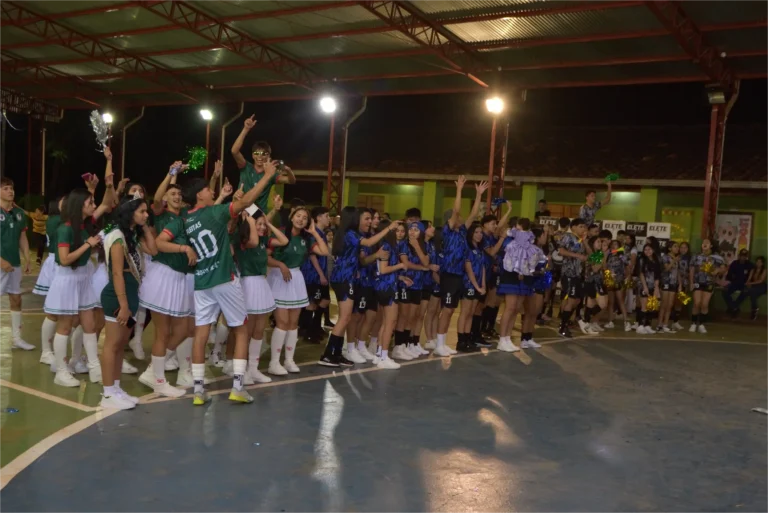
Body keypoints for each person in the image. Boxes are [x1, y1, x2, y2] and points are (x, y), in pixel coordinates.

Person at [175, 159, 277, 405]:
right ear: (200, 194)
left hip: (202, 281)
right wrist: (266, 177)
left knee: (201, 333)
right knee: (241, 329)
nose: (212, 191)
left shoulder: (187, 219)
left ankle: (198, 391)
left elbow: (222, 224)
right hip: (224, 278)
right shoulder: (214, 212)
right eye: (208, 189)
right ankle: (238, 387)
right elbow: (246, 203)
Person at [45, 150, 115, 387]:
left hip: (83, 278)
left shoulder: (84, 225)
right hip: (67, 279)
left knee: (89, 324)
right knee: (65, 325)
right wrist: (89, 244)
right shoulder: (65, 229)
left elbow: (106, 203)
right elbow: (64, 259)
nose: (93, 205)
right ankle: (60, 370)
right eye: (89, 203)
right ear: (79, 206)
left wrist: (108, 171)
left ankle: (94, 367)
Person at [136, 161, 199, 397]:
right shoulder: (159, 214)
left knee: (183, 328)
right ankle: (159, 379)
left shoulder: (183, 215)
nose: (176, 196)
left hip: (180, 278)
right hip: (163, 275)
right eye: (172, 193)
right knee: (163, 332)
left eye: (179, 194)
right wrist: (170, 174)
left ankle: (154, 369)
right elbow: (160, 195)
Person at [98, 196, 157, 409]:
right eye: (142, 211)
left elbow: (153, 250)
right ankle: (107, 394)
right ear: (129, 212)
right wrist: (123, 305)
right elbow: (116, 272)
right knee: (112, 345)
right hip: (117, 295)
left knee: (121, 344)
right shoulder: (117, 236)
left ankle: (115, 388)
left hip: (131, 293)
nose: (146, 214)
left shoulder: (131, 234)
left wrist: (146, 227)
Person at [319, 207, 395, 367]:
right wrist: (388, 228)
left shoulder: (349, 234)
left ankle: (336, 353)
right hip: (343, 278)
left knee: (346, 317)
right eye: (365, 218)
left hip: (347, 278)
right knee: (345, 317)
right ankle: (328, 354)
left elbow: (362, 258)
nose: (368, 221)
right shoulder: (350, 234)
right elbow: (368, 242)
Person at [433, 177, 487, 357]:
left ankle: (443, 342)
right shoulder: (447, 231)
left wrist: (479, 196)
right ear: (450, 219)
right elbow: (456, 210)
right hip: (448, 274)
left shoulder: (463, 232)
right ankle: (439, 343)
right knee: (446, 310)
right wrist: (459, 190)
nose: (461, 218)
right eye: (457, 217)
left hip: (459, 276)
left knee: (450, 311)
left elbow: (472, 214)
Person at [236, 207, 289, 383]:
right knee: (248, 331)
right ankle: (242, 371)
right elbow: (251, 240)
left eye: (262, 225)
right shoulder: (244, 240)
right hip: (248, 285)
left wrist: (268, 223)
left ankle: (253, 369)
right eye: (258, 224)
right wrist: (251, 222)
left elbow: (284, 240)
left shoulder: (263, 241)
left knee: (259, 330)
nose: (262, 228)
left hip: (261, 284)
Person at [231, 114, 296, 212]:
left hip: (258, 215)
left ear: (269, 156)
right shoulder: (246, 167)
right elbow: (234, 151)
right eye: (257, 153)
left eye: (264, 154)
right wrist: (246, 129)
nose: (260, 156)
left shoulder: (271, 174)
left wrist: (288, 170)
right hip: (241, 209)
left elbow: (291, 181)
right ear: (252, 155)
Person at [497, 218, 541, 351]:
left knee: (516, 309)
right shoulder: (509, 239)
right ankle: (502, 339)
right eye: (521, 227)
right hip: (510, 275)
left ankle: (508, 338)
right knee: (510, 308)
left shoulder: (528, 241)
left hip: (523, 277)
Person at [0, 177, 33, 350]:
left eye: (11, 188)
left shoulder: (19, 213)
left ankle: (16, 338)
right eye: (6, 188)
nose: (10, 191)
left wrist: (27, 258)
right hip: (1, 264)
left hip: (14, 265)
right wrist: (1, 261)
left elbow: (22, 237)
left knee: (16, 298)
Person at [372, 226, 408, 369]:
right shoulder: (387, 247)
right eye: (397, 230)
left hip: (386, 285)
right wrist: (400, 265)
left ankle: (379, 353)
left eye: (402, 231)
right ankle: (384, 356)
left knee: (386, 321)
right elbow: (383, 269)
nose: (400, 233)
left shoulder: (391, 246)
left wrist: (400, 277)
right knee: (391, 321)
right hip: (386, 287)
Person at [299, 206, 331, 342]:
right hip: (312, 274)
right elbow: (312, 256)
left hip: (319, 274)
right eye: (327, 215)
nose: (329, 218)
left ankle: (315, 327)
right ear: (318, 217)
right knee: (312, 302)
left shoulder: (322, 233)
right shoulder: (313, 233)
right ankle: (307, 331)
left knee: (324, 300)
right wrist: (321, 274)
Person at [457, 223, 486, 353]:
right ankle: (461, 341)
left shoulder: (480, 250)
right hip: (468, 284)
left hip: (478, 285)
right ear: (471, 234)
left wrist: (483, 285)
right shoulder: (467, 249)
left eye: (481, 232)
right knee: (465, 312)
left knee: (471, 313)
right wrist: (476, 286)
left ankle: (467, 338)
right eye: (476, 232)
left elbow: (483, 268)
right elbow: (469, 270)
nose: (479, 235)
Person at [557, 218, 588, 338]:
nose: (583, 229)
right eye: (581, 226)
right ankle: (563, 326)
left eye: (584, 227)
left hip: (577, 274)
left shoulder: (581, 240)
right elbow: (561, 250)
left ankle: (564, 321)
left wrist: (585, 242)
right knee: (571, 300)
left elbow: (589, 255)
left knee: (577, 300)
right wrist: (577, 255)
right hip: (569, 273)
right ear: (573, 227)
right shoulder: (568, 237)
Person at [688, 238, 726, 334]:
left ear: (711, 245)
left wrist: (717, 271)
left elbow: (724, 268)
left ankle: (701, 324)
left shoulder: (717, 257)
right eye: (703, 242)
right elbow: (692, 269)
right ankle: (693, 323)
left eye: (707, 243)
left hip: (709, 283)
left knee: (704, 304)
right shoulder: (696, 256)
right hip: (697, 282)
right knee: (697, 302)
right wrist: (691, 282)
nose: (704, 244)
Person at [637, 243, 661, 334]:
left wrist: (656, 288)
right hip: (644, 285)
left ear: (653, 250)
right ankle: (640, 326)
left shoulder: (656, 260)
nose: (647, 251)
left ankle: (647, 325)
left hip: (653, 285)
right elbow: (641, 273)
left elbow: (657, 275)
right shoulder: (642, 260)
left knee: (651, 306)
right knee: (644, 306)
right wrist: (645, 286)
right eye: (645, 249)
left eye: (649, 249)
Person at [722, 249, 753, 317]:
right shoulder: (734, 263)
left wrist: (748, 281)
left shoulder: (749, 264)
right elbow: (729, 275)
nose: (743, 257)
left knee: (745, 292)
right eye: (742, 256)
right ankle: (734, 308)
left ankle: (732, 307)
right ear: (739, 256)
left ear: (746, 256)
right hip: (734, 283)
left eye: (745, 256)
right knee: (724, 291)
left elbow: (752, 271)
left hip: (744, 284)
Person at [658, 241, 681, 332]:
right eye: (675, 246)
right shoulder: (665, 257)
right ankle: (659, 324)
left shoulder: (676, 258)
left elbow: (677, 272)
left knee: (670, 305)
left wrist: (680, 284)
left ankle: (665, 324)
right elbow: (666, 268)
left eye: (677, 247)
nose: (677, 248)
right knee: (664, 304)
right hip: (665, 282)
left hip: (673, 283)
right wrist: (674, 261)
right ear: (669, 248)